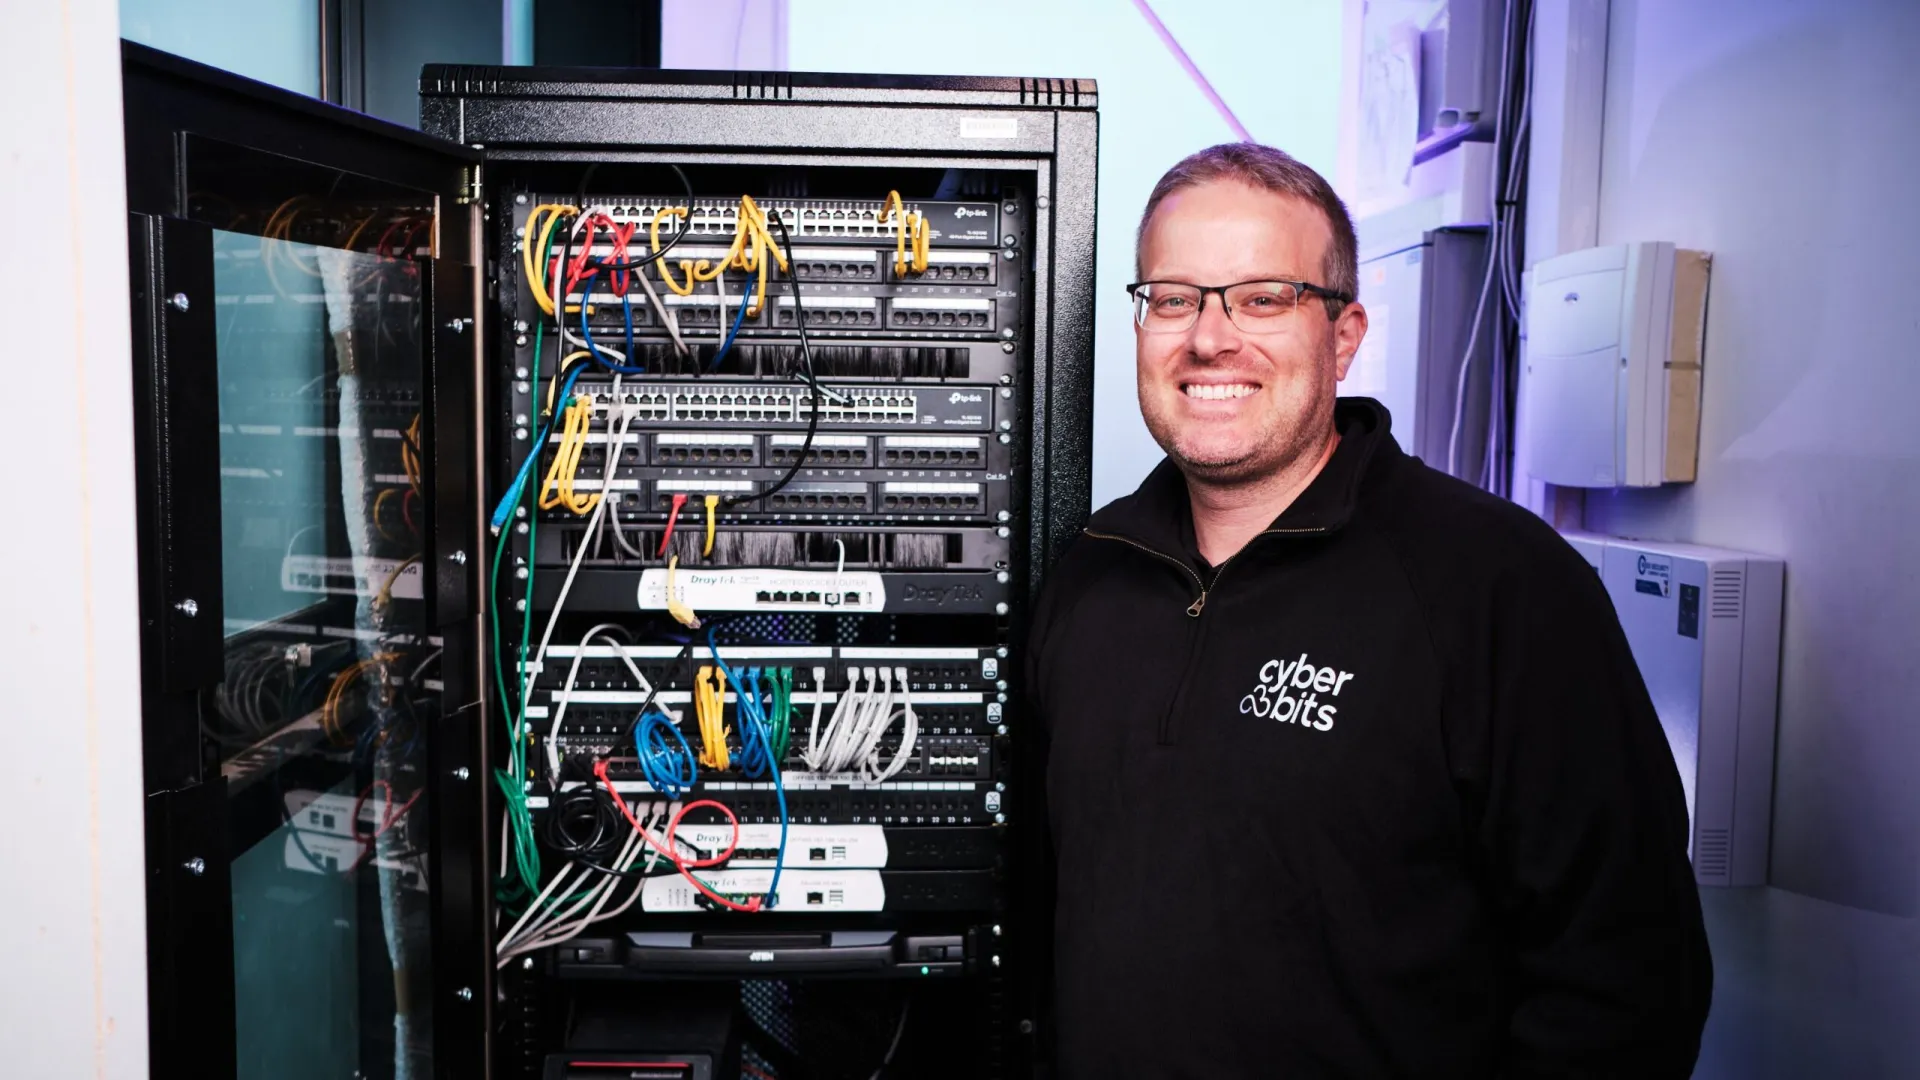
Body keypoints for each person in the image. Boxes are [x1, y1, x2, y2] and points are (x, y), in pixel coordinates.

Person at [1027, 142, 1712, 1078]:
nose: (1209, 338)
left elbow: (1628, 981)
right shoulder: (1090, 573)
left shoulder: (1501, 587)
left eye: (1264, 297)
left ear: (1344, 335)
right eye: (1174, 298)